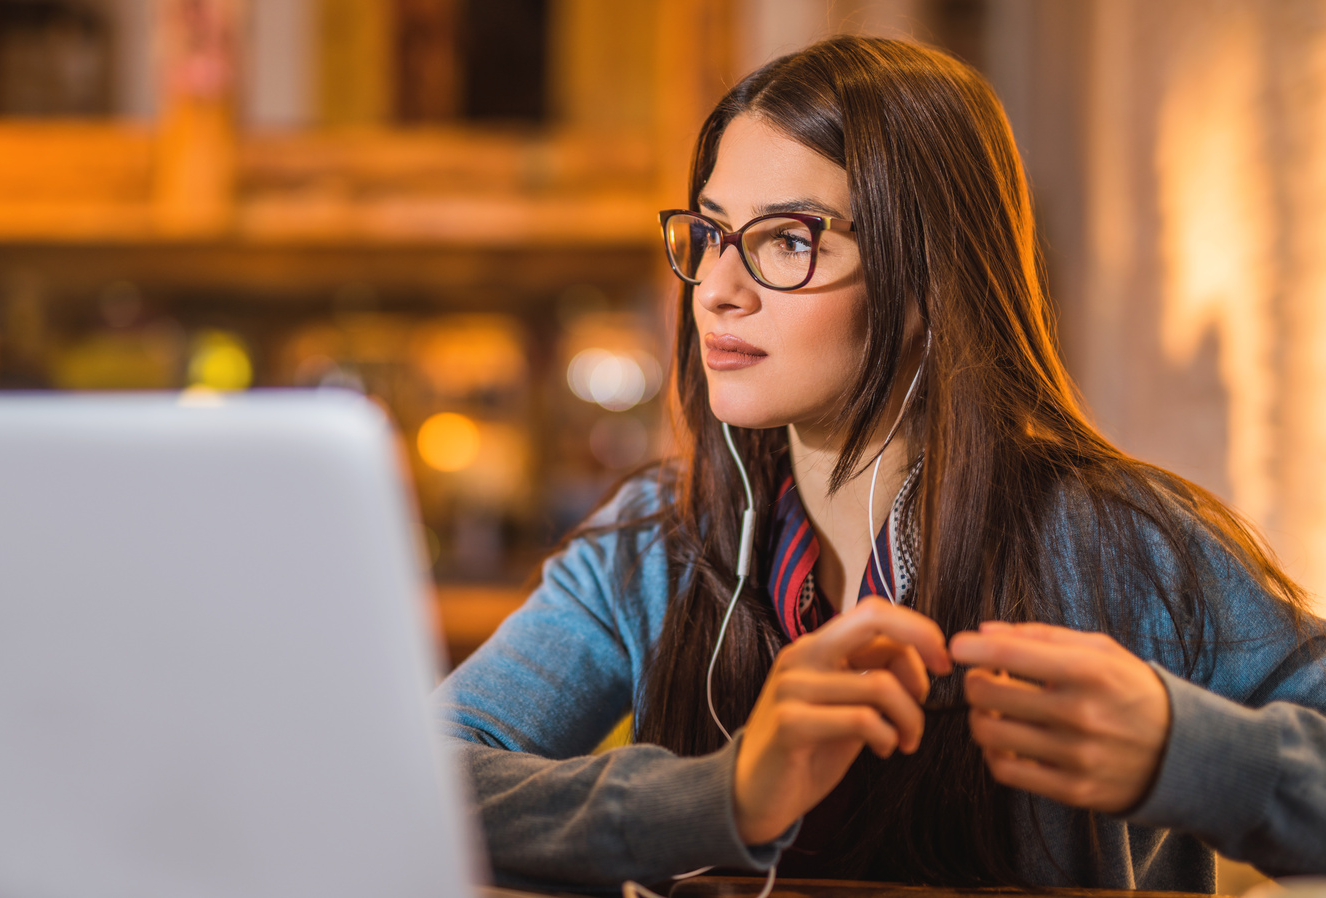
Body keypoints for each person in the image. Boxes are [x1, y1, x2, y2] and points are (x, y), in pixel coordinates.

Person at [436, 35, 1326, 893]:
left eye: (786, 240)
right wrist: (725, 796)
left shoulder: (1121, 542)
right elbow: (414, 777)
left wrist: (1187, 754)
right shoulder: (652, 544)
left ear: (928, 272)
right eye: (709, 234)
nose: (715, 289)